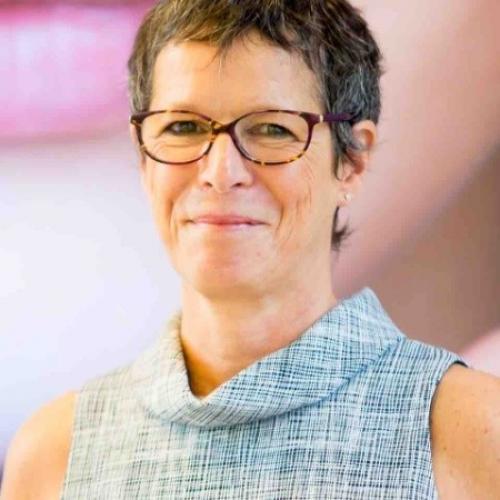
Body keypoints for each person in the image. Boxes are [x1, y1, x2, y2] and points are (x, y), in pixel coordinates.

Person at [2, 0, 500, 498]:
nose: (221, 173)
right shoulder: (54, 455)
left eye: (273, 129)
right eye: (182, 127)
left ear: (352, 160)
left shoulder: (470, 432)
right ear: (143, 156)